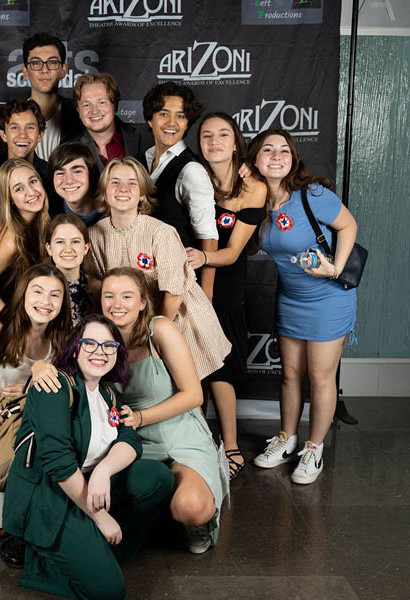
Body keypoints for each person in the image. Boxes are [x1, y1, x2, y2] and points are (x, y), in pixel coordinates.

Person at [3, 315, 173, 599]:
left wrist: (104, 470)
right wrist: (99, 516)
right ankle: (40, 559)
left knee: (158, 477)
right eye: (90, 343)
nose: (100, 352)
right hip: (51, 498)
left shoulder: (106, 393)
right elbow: (58, 462)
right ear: (75, 349)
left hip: (86, 484)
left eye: (108, 346)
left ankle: (106, 548)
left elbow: (130, 439)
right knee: (109, 592)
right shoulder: (55, 387)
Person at [247, 129, 358, 485]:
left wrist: (335, 268)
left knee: (321, 377)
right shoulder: (255, 201)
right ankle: (287, 438)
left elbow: (349, 225)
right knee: (290, 374)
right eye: (268, 150)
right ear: (254, 159)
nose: (276, 156)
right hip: (291, 298)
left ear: (293, 159)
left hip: (328, 297)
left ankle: (313, 448)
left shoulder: (312, 194)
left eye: (284, 150)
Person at [101, 268, 225, 554]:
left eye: (127, 296)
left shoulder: (160, 329)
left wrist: (140, 417)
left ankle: (193, 517)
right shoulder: (98, 337)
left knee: (189, 507)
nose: (117, 304)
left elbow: (193, 395)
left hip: (178, 435)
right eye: (109, 296)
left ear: (143, 302)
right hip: (130, 442)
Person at [88, 157, 231, 380]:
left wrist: (153, 337)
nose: (123, 188)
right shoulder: (95, 234)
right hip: (130, 323)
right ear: (104, 191)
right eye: (115, 182)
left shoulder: (161, 233)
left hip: (174, 318)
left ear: (142, 193)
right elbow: (93, 280)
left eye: (132, 183)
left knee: (180, 385)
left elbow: (173, 295)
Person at [185, 113, 267, 480]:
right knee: (189, 365)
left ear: (236, 143)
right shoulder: (192, 177)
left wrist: (204, 261)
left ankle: (231, 447)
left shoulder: (253, 186)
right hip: (189, 280)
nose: (214, 141)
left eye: (223, 135)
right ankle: (196, 443)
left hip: (226, 284)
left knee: (222, 366)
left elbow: (232, 253)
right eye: (207, 135)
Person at [0, 264, 71, 532]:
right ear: (23, 295)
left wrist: (32, 388)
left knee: (22, 521)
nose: (45, 301)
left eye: (55, 295)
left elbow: (66, 393)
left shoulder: (61, 342)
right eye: (38, 292)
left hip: (24, 433)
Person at [142, 82, 218, 298]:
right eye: (164, 114)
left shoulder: (191, 170)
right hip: (147, 282)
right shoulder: (145, 159)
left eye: (181, 116)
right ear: (150, 119)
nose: (172, 123)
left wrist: (206, 297)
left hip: (179, 289)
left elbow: (208, 237)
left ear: (187, 123)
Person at [0, 159, 49, 313]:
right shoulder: (11, 239)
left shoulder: (44, 223)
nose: (31, 192)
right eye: (19, 189)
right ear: (9, 198)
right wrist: (9, 318)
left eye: (33, 181)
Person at [21, 32, 83, 161]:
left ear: (63, 70)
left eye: (53, 62)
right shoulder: (9, 117)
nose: (44, 70)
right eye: (36, 63)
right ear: (25, 72)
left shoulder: (81, 114)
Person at [73, 73, 147, 167]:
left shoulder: (146, 138)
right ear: (78, 110)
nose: (95, 111)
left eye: (102, 102)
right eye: (86, 105)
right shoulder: (69, 148)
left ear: (115, 105)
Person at [45, 214, 94, 327]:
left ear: (86, 248)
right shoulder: (36, 287)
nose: (68, 249)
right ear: (49, 248)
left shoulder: (96, 288)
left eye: (75, 241)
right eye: (60, 242)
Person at [47, 141, 104, 225]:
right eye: (60, 173)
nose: (69, 180)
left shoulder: (111, 210)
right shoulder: (48, 215)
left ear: (91, 174)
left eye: (77, 171)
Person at [0, 98, 49, 180]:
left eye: (30, 128)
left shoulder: (50, 174)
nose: (23, 135)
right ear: (3, 135)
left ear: (40, 135)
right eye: (14, 128)